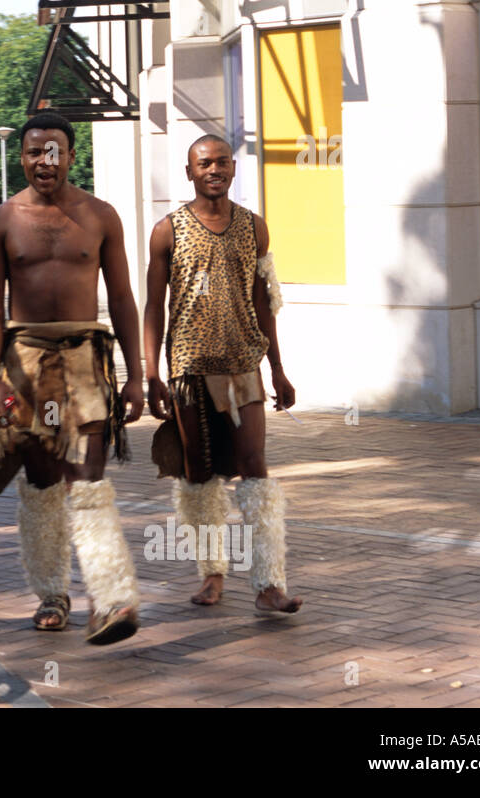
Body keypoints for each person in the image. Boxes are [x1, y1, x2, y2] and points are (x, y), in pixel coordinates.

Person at [0, 112, 145, 646]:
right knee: (44, 481)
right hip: (25, 360)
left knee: (87, 478)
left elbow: (121, 297)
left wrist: (137, 375)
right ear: (23, 157)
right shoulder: (3, 221)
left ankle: (110, 596)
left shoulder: (100, 216)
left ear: (71, 156)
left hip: (85, 356)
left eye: (53, 151)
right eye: (33, 152)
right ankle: (52, 591)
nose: (43, 162)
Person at [143, 135, 302, 614]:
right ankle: (212, 573)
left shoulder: (256, 227)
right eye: (204, 163)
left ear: (234, 168)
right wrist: (151, 374)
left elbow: (264, 301)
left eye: (222, 162)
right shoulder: (167, 230)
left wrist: (277, 368)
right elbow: (154, 305)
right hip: (189, 367)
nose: (215, 170)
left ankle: (268, 583)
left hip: (243, 363)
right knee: (200, 476)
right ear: (189, 172)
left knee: (255, 467)